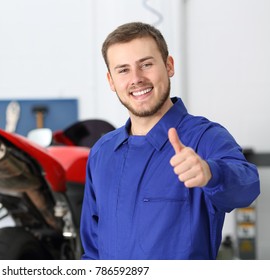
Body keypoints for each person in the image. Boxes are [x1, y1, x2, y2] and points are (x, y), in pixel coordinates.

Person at [80, 22, 260, 260]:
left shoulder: (203, 137)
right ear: (111, 81)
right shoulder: (102, 152)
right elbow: (93, 250)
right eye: (123, 70)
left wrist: (212, 172)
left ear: (169, 66)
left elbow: (248, 187)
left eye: (146, 64)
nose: (136, 79)